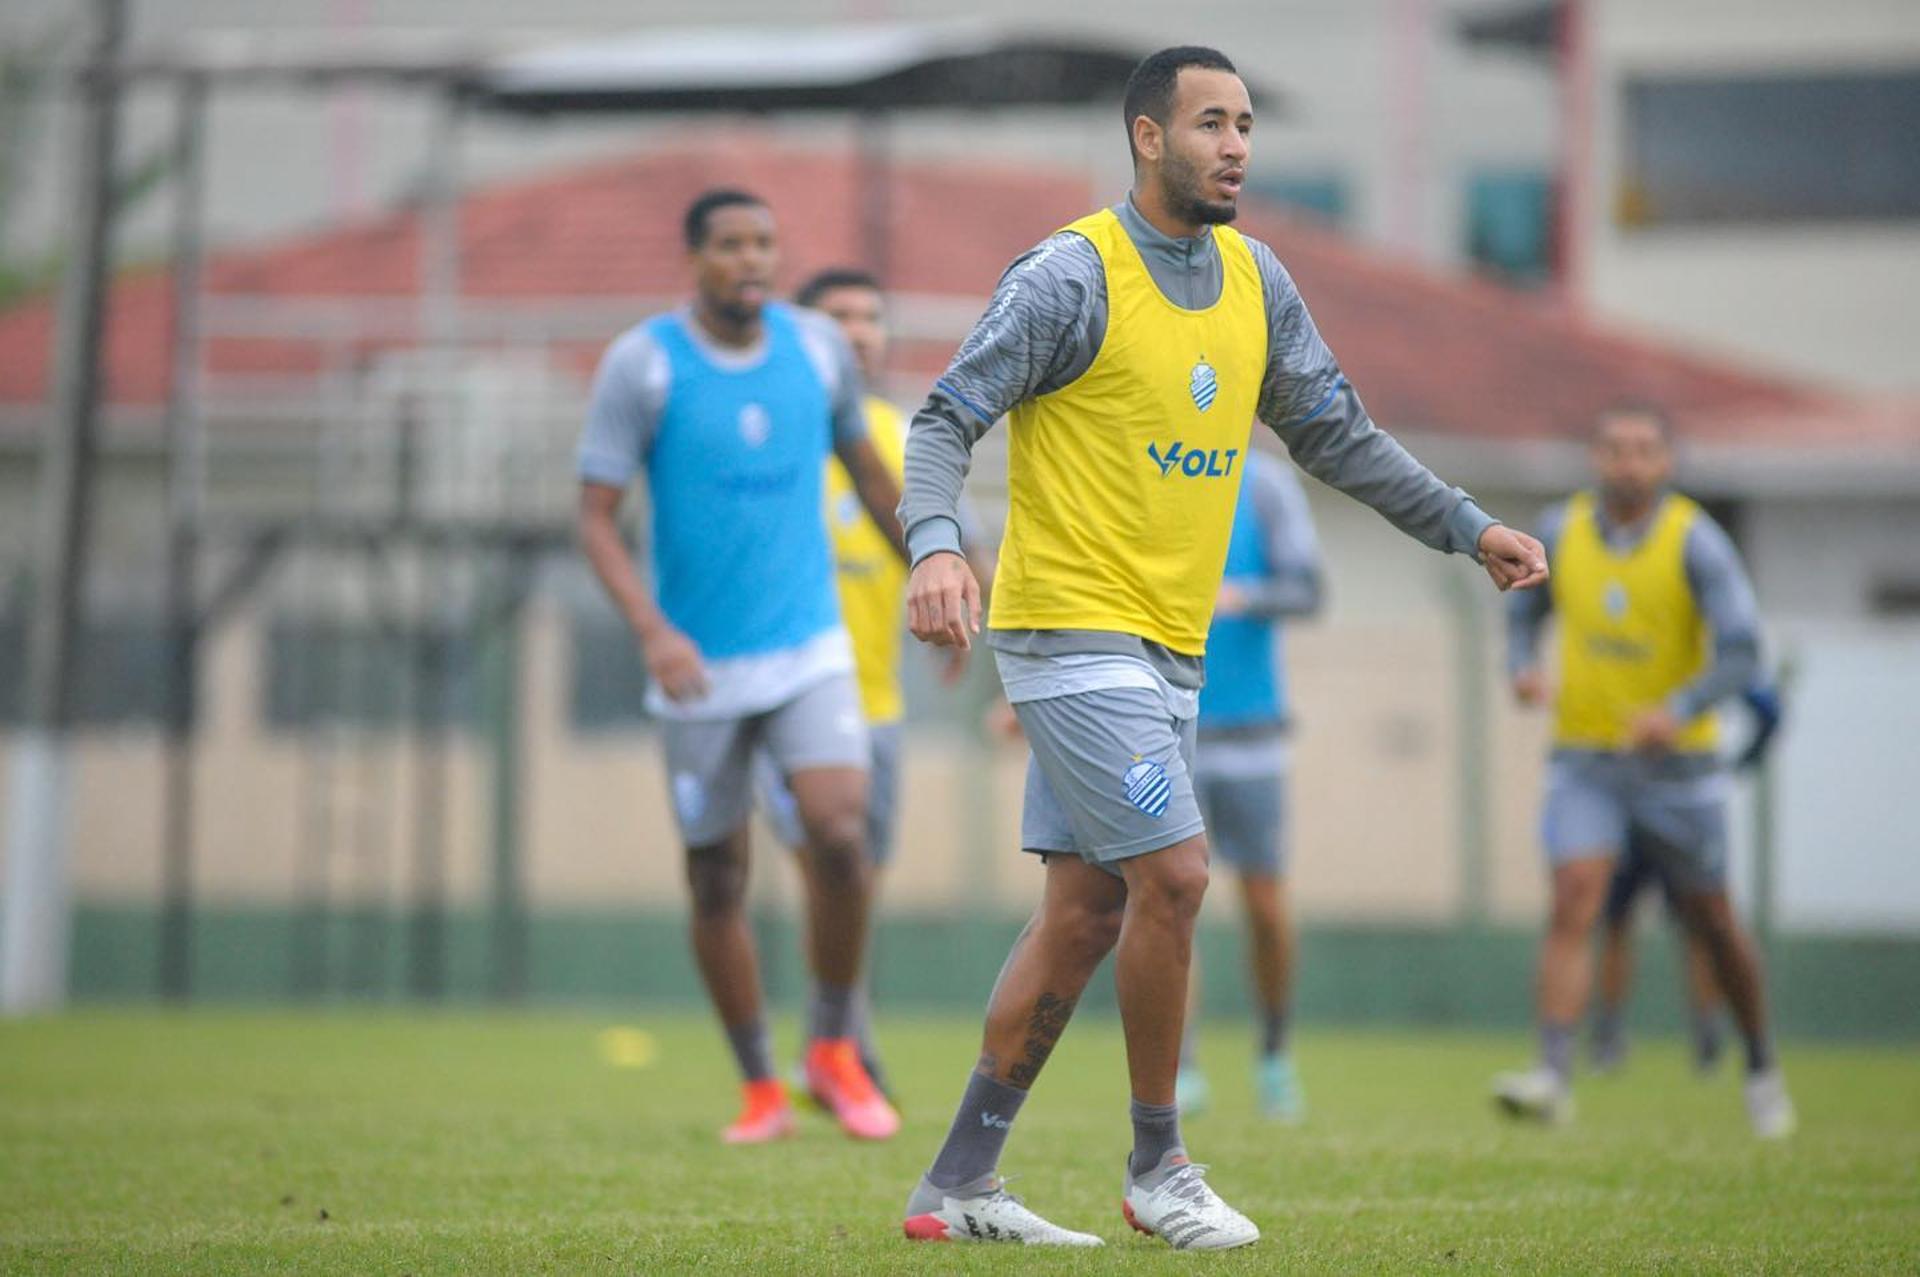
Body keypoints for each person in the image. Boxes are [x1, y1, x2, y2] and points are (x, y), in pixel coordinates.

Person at [895, 46, 1547, 1249]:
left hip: (1167, 652)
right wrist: (938, 546)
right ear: (1149, 137)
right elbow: (942, 419)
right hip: (1068, 630)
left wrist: (1468, 525)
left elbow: (1337, 434)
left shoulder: (1258, 279)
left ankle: (957, 1185)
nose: (1237, 143)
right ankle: (1160, 1163)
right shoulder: (1068, 275)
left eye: (1246, 123)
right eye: (1211, 123)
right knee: (1181, 877)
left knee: (1088, 914)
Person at [576, 190, 906, 1146]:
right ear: (695, 260)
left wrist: (941, 568)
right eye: (731, 246)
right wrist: (652, 630)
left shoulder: (815, 350)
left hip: (809, 645)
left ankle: (834, 1047)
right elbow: (594, 515)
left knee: (840, 831)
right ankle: (761, 1083)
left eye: (765, 242)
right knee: (718, 876)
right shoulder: (643, 366)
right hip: (697, 667)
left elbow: (872, 475)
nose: (751, 261)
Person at [1494, 404, 1796, 1139]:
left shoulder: (1697, 543)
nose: (1628, 462)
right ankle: (1553, 1075)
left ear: (1665, 463)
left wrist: (1679, 706)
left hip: (1678, 766)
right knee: (1573, 898)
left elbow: (1742, 651)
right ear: (1594, 458)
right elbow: (1524, 614)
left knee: (1713, 921)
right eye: (1614, 448)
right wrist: (1523, 667)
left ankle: (1760, 1065)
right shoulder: (1559, 531)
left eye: (1643, 450)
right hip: (1585, 756)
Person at [753, 267, 983, 1100]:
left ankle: (838, 1036)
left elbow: (954, 539)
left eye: (869, 317)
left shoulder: (901, 437)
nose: (856, 332)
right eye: (837, 317)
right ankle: (842, 1041)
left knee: (856, 874)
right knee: (827, 852)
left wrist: (963, 606)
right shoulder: (771, 431)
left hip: (877, 704)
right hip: (779, 697)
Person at [1175, 448, 1325, 1123]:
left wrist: (1240, 596)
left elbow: (1309, 588)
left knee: (1264, 903)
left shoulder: (1264, 485)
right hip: (1167, 729)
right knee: (1171, 898)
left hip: (1251, 733)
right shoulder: (1154, 467)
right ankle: (1179, 1067)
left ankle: (1274, 1054)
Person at [1589, 680, 1784, 1075]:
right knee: (1616, 923)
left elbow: (1765, 704)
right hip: (1624, 807)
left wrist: (1740, 762)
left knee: (1702, 926)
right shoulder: (1615, 654)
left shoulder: (1698, 660)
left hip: (1684, 806)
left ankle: (1708, 1034)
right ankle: (1609, 1034)